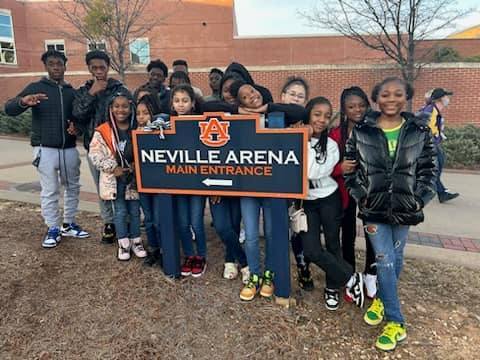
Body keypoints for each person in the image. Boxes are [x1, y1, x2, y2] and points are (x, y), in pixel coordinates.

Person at [345, 77, 437, 351]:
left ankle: (383, 300)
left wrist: (419, 200)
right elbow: (352, 173)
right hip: (374, 211)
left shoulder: (418, 131)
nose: (392, 99)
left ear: (406, 97)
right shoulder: (362, 131)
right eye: (385, 94)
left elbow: (429, 170)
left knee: (395, 258)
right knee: (384, 261)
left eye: (398, 94)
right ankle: (396, 322)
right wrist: (363, 197)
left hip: (405, 209)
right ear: (376, 98)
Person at [228, 80, 306, 301]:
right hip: (248, 186)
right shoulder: (237, 118)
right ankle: (254, 274)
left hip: (274, 186)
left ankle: (270, 275)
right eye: (244, 97)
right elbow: (208, 108)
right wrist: (239, 110)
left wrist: (265, 108)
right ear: (239, 102)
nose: (251, 96)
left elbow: (301, 110)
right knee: (251, 235)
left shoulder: (277, 112)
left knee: (273, 234)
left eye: (252, 91)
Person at [4, 50, 89, 248]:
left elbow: (80, 119)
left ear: (65, 66)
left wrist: (77, 128)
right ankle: (53, 227)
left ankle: (68, 223)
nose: (56, 67)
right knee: (50, 190)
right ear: (46, 67)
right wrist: (23, 102)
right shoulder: (35, 88)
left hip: (68, 148)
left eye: (60, 64)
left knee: (73, 187)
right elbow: (9, 109)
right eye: (52, 64)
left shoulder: (71, 92)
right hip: (45, 149)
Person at [298, 96, 365, 311]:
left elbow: (312, 171)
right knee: (311, 249)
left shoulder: (333, 145)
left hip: (329, 199)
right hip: (306, 203)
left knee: (333, 244)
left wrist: (305, 142)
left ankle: (332, 288)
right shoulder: (295, 138)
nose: (322, 120)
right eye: (317, 114)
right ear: (308, 114)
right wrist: (302, 138)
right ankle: (351, 278)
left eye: (327, 116)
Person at [73, 50, 131, 245]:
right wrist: (92, 93)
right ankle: (109, 223)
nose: (99, 71)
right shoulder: (84, 90)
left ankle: (127, 220)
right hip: (96, 147)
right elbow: (78, 115)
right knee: (103, 186)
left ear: (108, 67)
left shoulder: (118, 88)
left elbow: (127, 111)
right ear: (89, 68)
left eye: (102, 67)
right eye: (94, 67)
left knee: (123, 185)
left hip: (120, 145)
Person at [329, 86, 377, 299]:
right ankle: (350, 277)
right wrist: (341, 168)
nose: (357, 110)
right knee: (347, 235)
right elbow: (326, 166)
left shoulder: (376, 129)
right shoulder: (336, 133)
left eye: (361, 105)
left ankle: (371, 275)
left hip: (371, 192)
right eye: (351, 106)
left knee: (372, 235)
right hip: (345, 192)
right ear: (344, 109)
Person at [88, 90, 147, 261]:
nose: (121, 110)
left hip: (134, 179)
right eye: (116, 106)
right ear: (111, 108)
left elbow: (147, 150)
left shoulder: (137, 127)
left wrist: (139, 164)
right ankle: (123, 243)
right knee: (120, 212)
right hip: (114, 179)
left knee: (135, 211)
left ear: (131, 107)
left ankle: (136, 240)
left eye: (124, 106)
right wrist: (112, 167)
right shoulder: (103, 130)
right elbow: (95, 154)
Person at [278, 76, 315, 291]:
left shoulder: (308, 125)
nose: (295, 98)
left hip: (299, 186)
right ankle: (279, 267)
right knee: (279, 228)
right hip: (275, 186)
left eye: (300, 96)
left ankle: (303, 267)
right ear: (283, 96)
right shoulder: (271, 119)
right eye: (292, 94)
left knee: (298, 228)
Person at [169, 84, 208, 277]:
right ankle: (189, 255)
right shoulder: (166, 125)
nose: (181, 104)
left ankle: (201, 256)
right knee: (183, 223)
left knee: (196, 223)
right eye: (177, 101)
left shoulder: (201, 124)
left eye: (185, 100)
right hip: (179, 183)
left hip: (198, 183)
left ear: (192, 103)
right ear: (172, 104)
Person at [418, 88, 459, 203]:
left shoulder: (435, 110)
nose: (448, 99)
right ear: (440, 99)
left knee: (437, 167)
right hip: (430, 145)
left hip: (434, 144)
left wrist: (439, 135)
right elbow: (425, 128)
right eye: (446, 96)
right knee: (435, 169)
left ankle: (440, 192)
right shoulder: (430, 111)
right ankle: (439, 193)